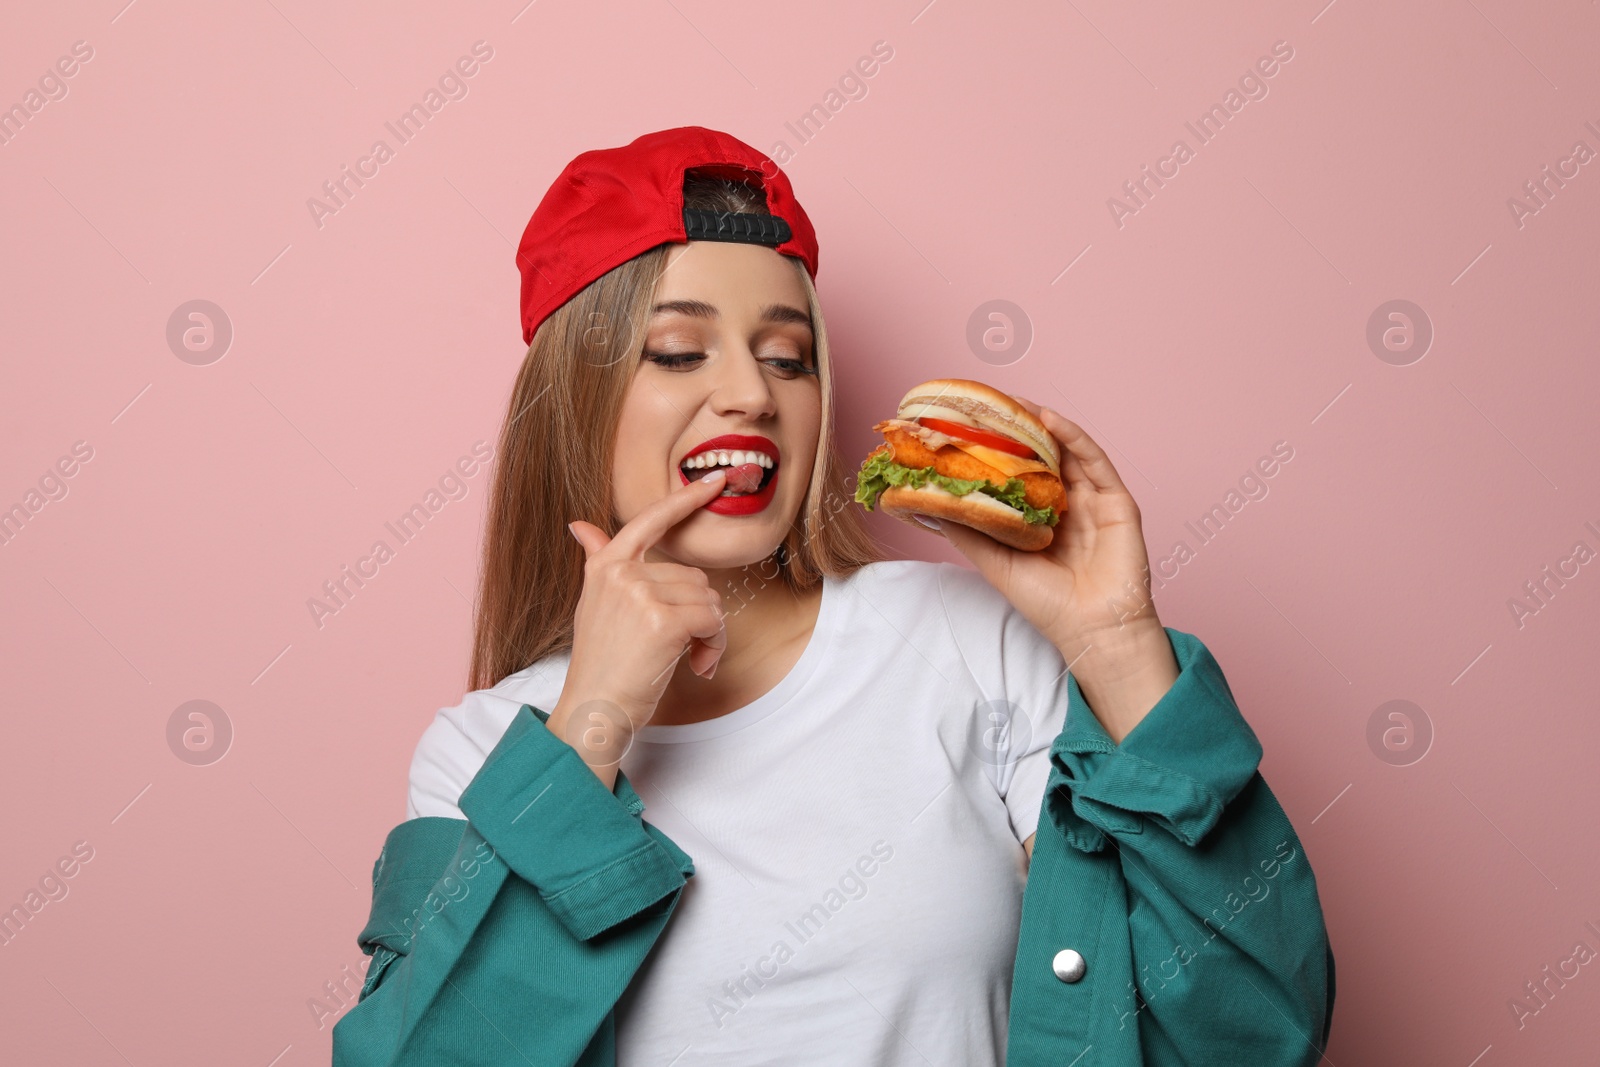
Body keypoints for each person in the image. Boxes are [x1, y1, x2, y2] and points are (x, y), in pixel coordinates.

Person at [332, 126, 1335, 1067]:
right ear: (573, 403)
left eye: (787, 357)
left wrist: (1117, 648)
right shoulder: (481, 750)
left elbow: (1251, 1031)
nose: (753, 394)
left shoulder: (962, 644)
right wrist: (590, 726)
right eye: (681, 351)